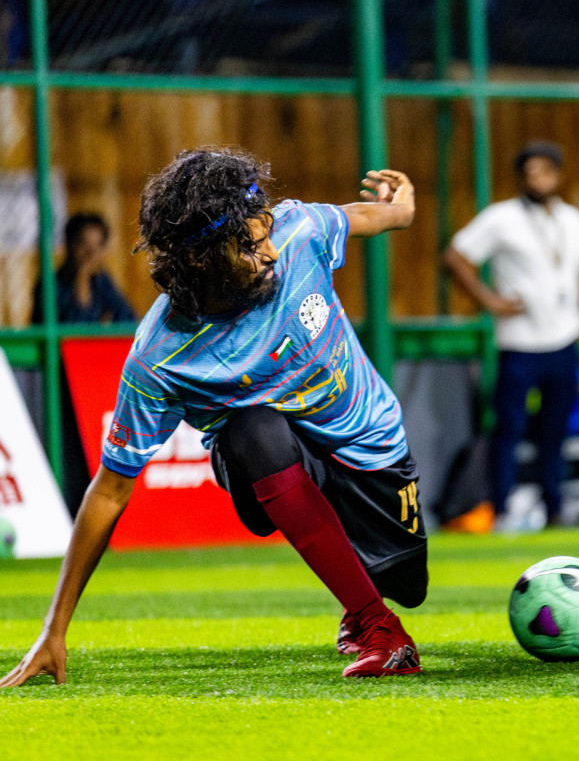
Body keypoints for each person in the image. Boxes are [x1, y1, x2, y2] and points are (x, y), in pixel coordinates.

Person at [2, 149, 424, 686]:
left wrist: (401, 205)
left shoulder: (300, 231)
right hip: (273, 459)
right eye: (250, 246)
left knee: (409, 585)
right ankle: (377, 627)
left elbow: (376, 217)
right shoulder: (162, 357)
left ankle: (365, 592)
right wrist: (53, 629)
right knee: (252, 428)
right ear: (202, 258)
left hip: (371, 447)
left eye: (267, 232)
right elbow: (109, 491)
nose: (271, 252)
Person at [442, 142, 579, 528]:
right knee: (508, 429)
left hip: (563, 340)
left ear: (559, 175)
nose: (538, 179)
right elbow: (454, 255)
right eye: (530, 172)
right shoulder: (502, 217)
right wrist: (489, 300)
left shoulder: (571, 219)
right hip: (518, 341)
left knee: (555, 430)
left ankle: (554, 509)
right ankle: (501, 508)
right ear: (520, 178)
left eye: (546, 171)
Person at [32, 213, 136, 324]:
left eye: (97, 246)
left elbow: (128, 319)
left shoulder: (101, 281)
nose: (91, 254)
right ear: (70, 245)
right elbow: (78, 327)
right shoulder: (51, 285)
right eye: (83, 245)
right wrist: (82, 280)